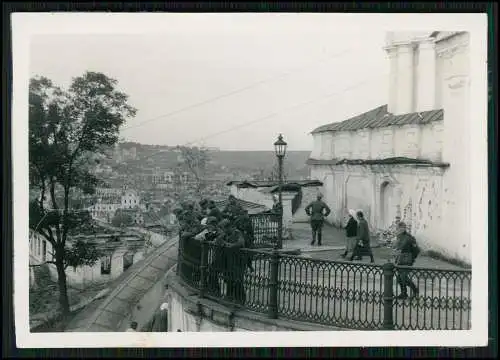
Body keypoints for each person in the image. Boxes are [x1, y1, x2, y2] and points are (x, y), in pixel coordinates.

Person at [393, 222, 420, 299]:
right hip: (400, 259)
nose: (398, 229)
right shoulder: (399, 237)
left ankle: (415, 290)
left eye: (399, 228)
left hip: (407, 259)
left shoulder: (409, 237)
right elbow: (397, 248)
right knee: (399, 278)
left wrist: (412, 258)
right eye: (398, 228)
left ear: (403, 228)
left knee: (404, 277)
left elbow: (417, 250)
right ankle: (403, 293)